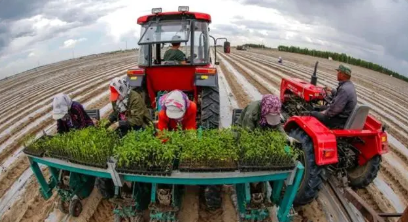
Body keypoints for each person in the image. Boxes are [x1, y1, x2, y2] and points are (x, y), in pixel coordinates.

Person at [311, 64, 357, 129]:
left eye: (338, 72)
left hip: (338, 119)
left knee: (312, 113)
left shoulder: (344, 89)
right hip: (343, 115)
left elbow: (334, 110)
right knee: (318, 108)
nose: (337, 74)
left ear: (342, 74)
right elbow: (341, 96)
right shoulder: (349, 86)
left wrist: (324, 113)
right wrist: (331, 90)